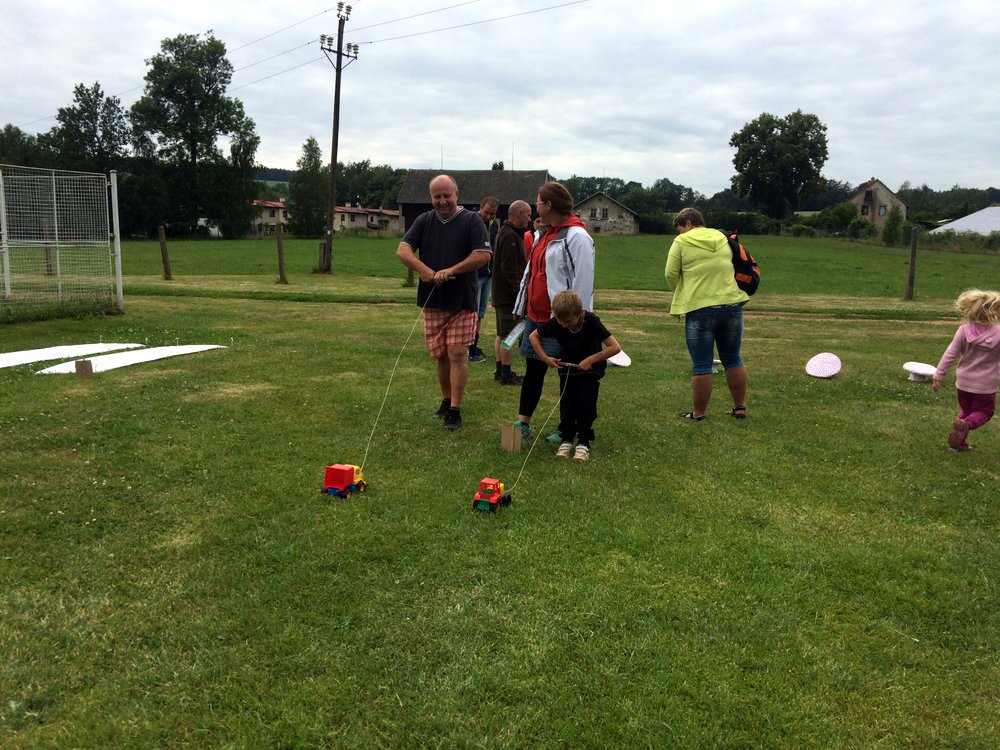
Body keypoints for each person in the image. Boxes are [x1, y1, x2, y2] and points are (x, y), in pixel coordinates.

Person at [396, 174, 491, 431]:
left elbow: (482, 255)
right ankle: (446, 401)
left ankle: (455, 410)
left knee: (457, 353)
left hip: (462, 300)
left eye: (446, 195)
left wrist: (452, 270)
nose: (442, 201)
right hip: (433, 300)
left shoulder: (472, 220)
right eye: (437, 196)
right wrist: (424, 270)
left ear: (456, 194)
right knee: (440, 355)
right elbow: (403, 250)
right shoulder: (424, 220)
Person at [512, 181, 596, 441]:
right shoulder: (542, 234)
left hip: (562, 321)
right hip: (535, 317)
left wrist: (576, 323)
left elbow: (583, 282)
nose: (535, 206)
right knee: (533, 370)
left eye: (538, 202)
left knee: (567, 374)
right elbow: (531, 273)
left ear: (548, 205)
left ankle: (567, 427)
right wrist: (520, 306)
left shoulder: (578, 237)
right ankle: (523, 423)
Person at [665, 207, 750, 420]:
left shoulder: (681, 241)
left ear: (688, 224)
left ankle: (699, 413)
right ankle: (739, 407)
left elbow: (670, 274)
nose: (679, 233)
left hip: (699, 308)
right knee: (733, 359)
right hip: (732, 305)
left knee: (702, 364)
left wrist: (683, 292)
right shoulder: (723, 238)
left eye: (680, 229)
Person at [529, 290, 620, 462]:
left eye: (568, 321)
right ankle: (567, 440)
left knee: (586, 404)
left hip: (590, 371)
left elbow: (615, 347)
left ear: (580, 314)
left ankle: (583, 442)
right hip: (568, 370)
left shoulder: (591, 321)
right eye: (561, 321)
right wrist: (545, 358)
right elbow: (533, 336)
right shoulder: (558, 322)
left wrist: (590, 360)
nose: (564, 325)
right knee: (567, 405)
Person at [932, 288, 1000, 451]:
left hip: (963, 383)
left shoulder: (963, 330)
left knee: (967, 411)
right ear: (993, 312)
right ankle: (966, 425)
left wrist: (938, 375)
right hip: (984, 386)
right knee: (985, 411)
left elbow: (950, 354)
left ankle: (958, 442)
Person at [491, 199, 531, 385]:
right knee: (509, 335)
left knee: (501, 333)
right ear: (519, 214)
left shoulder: (508, 232)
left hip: (501, 294)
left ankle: (501, 371)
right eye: (528, 215)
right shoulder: (510, 236)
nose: (529, 219)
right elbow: (509, 269)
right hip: (508, 296)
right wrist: (519, 295)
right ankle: (506, 375)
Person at [469, 196, 500, 363]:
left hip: (489, 275)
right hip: (475, 274)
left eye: (492, 214)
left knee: (480, 313)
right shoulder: (471, 221)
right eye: (486, 212)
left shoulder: (494, 225)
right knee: (472, 313)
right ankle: (469, 350)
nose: (488, 216)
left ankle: (474, 346)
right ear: (480, 207)